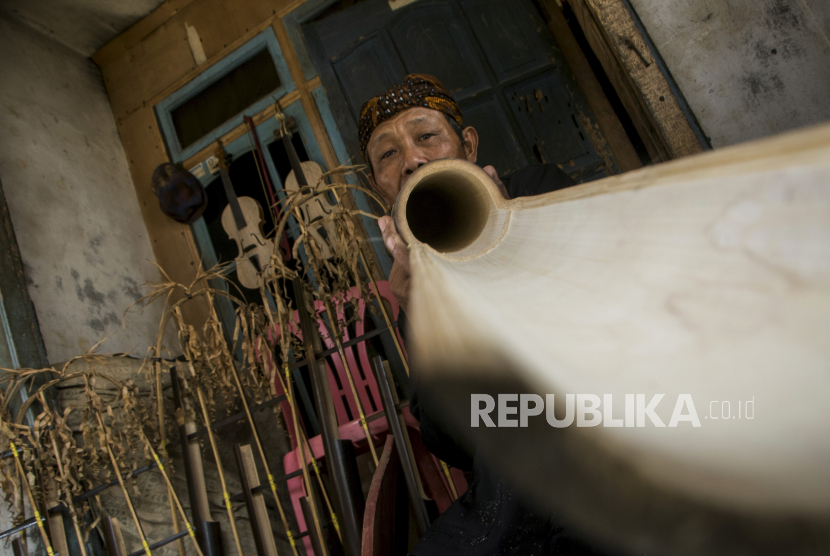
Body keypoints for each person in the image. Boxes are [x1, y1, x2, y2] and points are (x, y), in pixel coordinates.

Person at [360, 74, 602, 555]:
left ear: (467, 144)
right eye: (388, 154)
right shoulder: (412, 273)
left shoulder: (538, 190)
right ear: (377, 185)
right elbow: (455, 443)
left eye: (426, 135)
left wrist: (509, 237)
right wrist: (419, 310)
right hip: (511, 498)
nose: (411, 160)